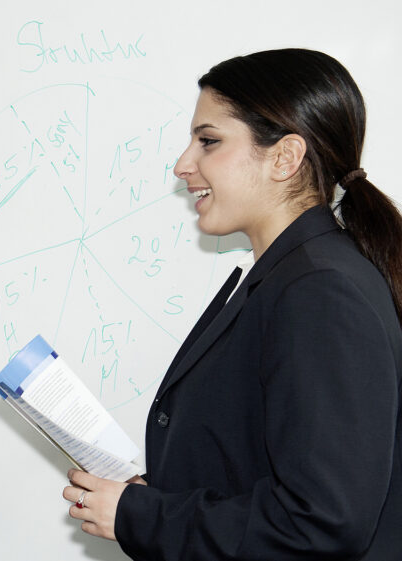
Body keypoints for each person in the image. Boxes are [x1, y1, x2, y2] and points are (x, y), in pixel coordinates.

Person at [62, 48, 402, 560]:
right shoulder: (288, 278)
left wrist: (144, 516)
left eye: (209, 141)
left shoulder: (319, 291)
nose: (183, 164)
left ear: (285, 157)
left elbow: (321, 521)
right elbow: (255, 467)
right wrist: (151, 497)